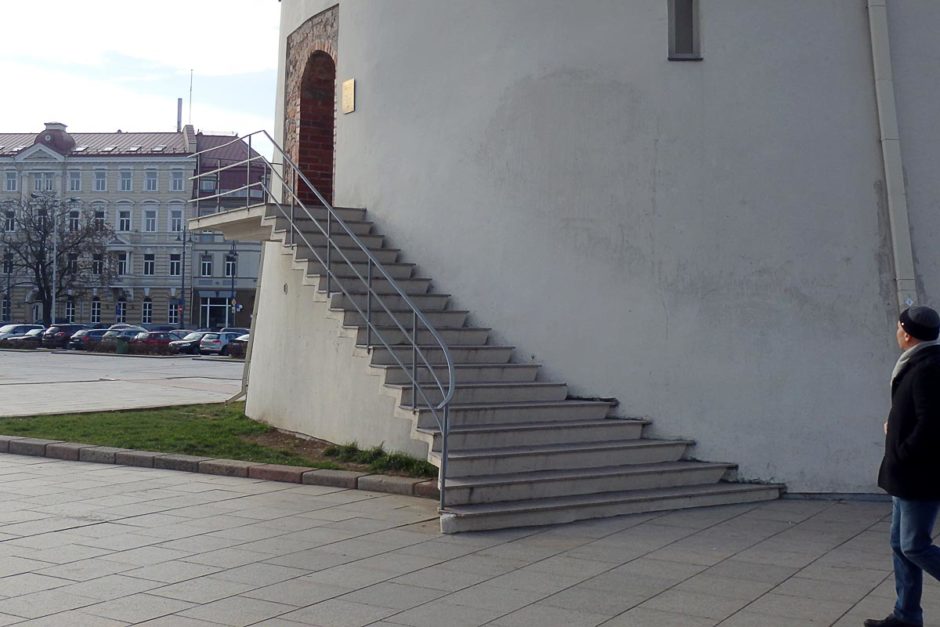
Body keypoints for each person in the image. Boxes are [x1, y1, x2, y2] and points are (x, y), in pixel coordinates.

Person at [866, 305, 940, 627]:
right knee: (900, 544)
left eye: (898, 327)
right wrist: (894, 428)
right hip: (905, 473)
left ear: (906, 333)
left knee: (914, 545)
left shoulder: (928, 367)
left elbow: (932, 424)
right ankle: (906, 617)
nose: (897, 332)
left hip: (918, 475)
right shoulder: (917, 361)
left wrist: (903, 450)